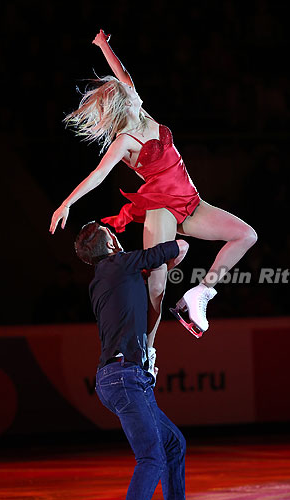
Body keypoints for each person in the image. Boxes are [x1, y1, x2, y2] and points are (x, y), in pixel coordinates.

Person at [50, 29, 257, 359]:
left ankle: (201, 293)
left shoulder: (139, 106)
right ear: (122, 108)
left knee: (246, 235)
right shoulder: (124, 141)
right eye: (128, 96)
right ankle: (147, 350)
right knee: (158, 285)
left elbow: (123, 74)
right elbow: (98, 175)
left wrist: (104, 45)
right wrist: (66, 203)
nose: (135, 94)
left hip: (190, 201)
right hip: (162, 207)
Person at [74, 221, 221, 500]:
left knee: (172, 445)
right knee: (152, 456)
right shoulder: (117, 264)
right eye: (113, 233)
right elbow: (177, 249)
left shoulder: (105, 276)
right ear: (110, 242)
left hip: (121, 377)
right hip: (124, 378)